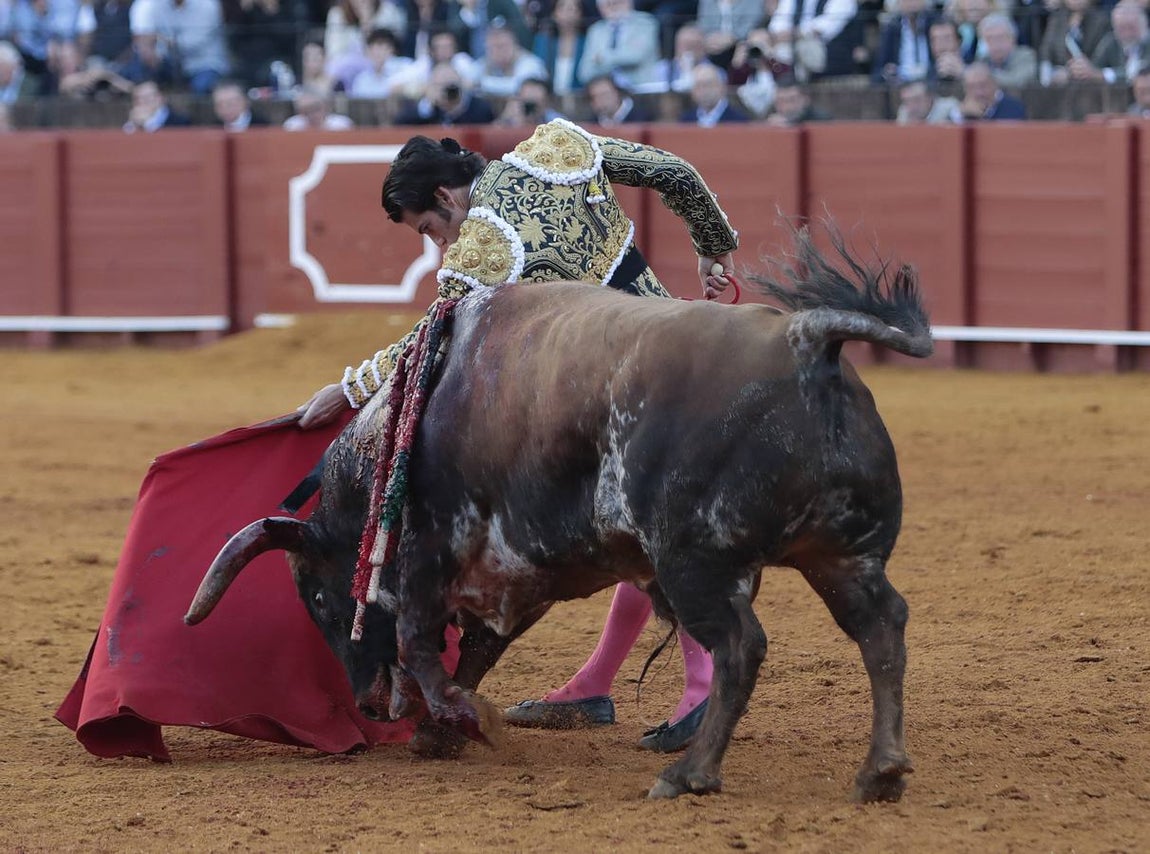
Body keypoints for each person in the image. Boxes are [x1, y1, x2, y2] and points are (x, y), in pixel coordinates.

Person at [296, 117, 740, 750]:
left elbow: (427, 343)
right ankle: (596, 683)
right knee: (640, 527)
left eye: (428, 229)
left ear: (447, 199)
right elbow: (673, 174)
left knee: (641, 523)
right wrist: (713, 244)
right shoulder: (556, 147)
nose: (436, 246)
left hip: (611, 397)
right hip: (681, 358)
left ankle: (702, 687)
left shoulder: (479, 248)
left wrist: (348, 388)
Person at [577, 0, 662, 91]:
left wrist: (601, 58)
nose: (613, 7)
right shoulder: (596, 30)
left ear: (629, 2)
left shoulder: (645, 22)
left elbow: (636, 56)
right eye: (608, 4)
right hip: (609, 95)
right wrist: (621, 56)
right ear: (600, 8)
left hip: (642, 90)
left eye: (617, 2)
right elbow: (584, 73)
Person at [393, 58, 495, 124]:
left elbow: (485, 125)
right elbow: (401, 123)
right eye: (440, 86)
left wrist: (458, 110)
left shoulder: (479, 108)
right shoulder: (426, 110)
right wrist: (427, 105)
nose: (446, 91)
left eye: (451, 86)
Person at [1037, 0, 1109, 86]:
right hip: (1060, 79)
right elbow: (1046, 51)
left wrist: (1071, 72)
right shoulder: (1057, 19)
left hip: (1091, 80)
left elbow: (1101, 54)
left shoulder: (1102, 20)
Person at [474, 21, 547, 98]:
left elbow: (519, 87)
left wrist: (481, 84)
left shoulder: (530, 63)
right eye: (492, 48)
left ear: (514, 43)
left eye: (501, 46)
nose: (497, 52)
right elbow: (468, 76)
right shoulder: (486, 62)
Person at [978, 11, 1035, 89]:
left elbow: (1016, 82)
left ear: (1013, 39)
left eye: (1000, 38)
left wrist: (984, 76)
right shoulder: (984, 60)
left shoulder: (1025, 56)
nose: (995, 43)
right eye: (989, 39)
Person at [680, 61, 749, 124]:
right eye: (698, 86)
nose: (704, 91)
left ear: (722, 87)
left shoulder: (739, 121)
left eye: (709, 85)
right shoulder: (686, 121)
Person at [958, 58, 1025, 120]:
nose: (978, 93)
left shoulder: (1014, 108)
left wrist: (981, 118)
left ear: (994, 84)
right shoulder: (960, 111)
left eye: (983, 86)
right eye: (971, 87)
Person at [122, 79, 191, 131]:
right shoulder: (132, 122)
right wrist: (134, 124)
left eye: (147, 97)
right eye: (137, 98)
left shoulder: (181, 122)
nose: (141, 102)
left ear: (161, 98)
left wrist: (146, 125)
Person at [495, 75, 566, 124]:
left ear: (547, 101)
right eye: (527, 102)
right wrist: (505, 118)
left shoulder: (557, 121)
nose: (531, 108)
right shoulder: (510, 119)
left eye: (535, 102)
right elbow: (490, 138)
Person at [585, 71, 651, 123]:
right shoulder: (592, 123)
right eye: (595, 97)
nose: (600, 101)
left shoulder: (642, 117)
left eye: (604, 95)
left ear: (617, 93)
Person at [764, 72, 831, 123]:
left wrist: (789, 125)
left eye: (792, 100)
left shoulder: (821, 120)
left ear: (805, 99)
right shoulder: (768, 116)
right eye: (781, 101)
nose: (787, 107)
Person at [282, 84, 355, 128]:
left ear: (326, 106)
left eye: (315, 109)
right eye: (305, 111)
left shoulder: (341, 125)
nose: (310, 115)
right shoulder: (292, 126)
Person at [895, 77, 961, 123]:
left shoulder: (949, 107)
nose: (911, 107)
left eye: (916, 100)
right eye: (906, 101)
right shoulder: (904, 110)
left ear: (930, 98)